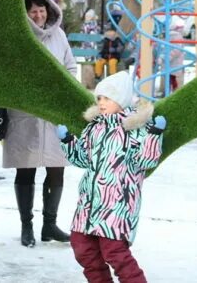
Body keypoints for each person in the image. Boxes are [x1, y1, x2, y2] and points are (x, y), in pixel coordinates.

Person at [55, 70, 164, 283]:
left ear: (121, 99)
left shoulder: (135, 129)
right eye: (99, 98)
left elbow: (145, 161)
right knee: (82, 248)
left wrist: (154, 136)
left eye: (108, 98)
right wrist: (68, 141)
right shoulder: (94, 127)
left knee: (114, 252)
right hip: (89, 203)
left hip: (117, 203)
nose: (102, 102)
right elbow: (83, 159)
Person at [4, 0, 75, 247]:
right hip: (26, 113)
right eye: (32, 10)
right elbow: (9, 71)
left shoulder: (59, 36)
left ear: (49, 10)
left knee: (57, 169)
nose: (38, 14)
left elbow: (70, 65)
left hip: (55, 112)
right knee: (26, 169)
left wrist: (64, 89)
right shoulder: (18, 37)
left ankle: (49, 225)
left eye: (42, 9)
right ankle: (27, 226)